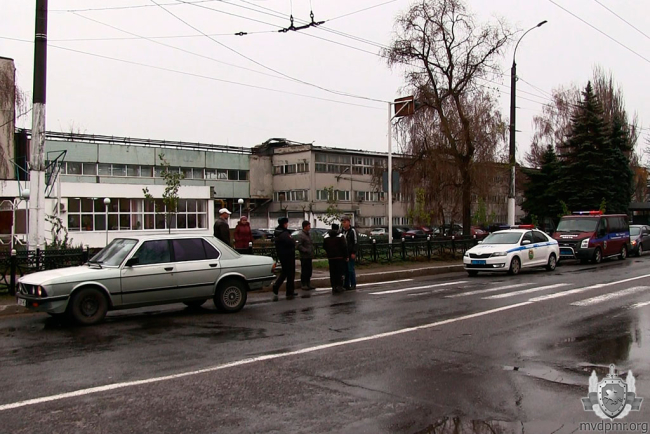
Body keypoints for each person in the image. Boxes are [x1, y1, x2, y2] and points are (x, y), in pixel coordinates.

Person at [272, 217, 297, 301]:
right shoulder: (284, 233)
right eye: (286, 223)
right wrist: (293, 242)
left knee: (285, 272)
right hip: (288, 255)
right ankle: (289, 291)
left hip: (283, 255)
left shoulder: (279, 232)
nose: (287, 225)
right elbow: (291, 242)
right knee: (290, 273)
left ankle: (277, 286)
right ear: (284, 224)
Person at [323, 223, 348, 294]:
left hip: (331, 257)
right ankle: (339, 286)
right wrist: (346, 256)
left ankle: (333, 286)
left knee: (332, 272)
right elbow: (344, 247)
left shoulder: (326, 236)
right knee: (339, 272)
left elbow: (324, 246)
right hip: (339, 257)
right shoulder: (340, 236)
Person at [295, 220, 315, 295]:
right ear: (305, 226)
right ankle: (304, 284)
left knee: (309, 270)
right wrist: (305, 250)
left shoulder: (308, 234)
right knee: (304, 270)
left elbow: (310, 244)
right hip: (304, 256)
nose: (310, 227)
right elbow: (299, 246)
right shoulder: (301, 235)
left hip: (309, 256)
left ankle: (308, 283)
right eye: (309, 226)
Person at [341, 216, 358, 290]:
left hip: (350, 253)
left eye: (345, 222)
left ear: (348, 222)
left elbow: (355, 242)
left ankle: (353, 284)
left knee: (350, 269)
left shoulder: (352, 231)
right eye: (342, 222)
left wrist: (353, 252)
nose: (343, 224)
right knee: (345, 270)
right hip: (344, 254)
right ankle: (346, 284)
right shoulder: (342, 231)